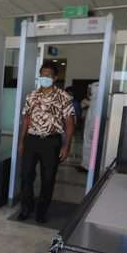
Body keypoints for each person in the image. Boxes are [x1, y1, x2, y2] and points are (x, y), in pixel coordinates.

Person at [17, 63, 75, 223]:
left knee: (48, 178)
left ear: (55, 78)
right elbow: (26, 120)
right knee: (26, 176)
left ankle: (41, 211)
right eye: (42, 74)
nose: (45, 78)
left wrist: (66, 145)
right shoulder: (31, 96)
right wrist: (21, 141)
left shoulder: (64, 97)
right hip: (31, 140)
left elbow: (70, 123)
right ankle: (26, 208)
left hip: (51, 142)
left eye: (48, 75)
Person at [80, 81, 99, 172]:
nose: (88, 92)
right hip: (91, 126)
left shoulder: (94, 102)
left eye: (90, 90)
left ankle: (87, 165)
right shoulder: (94, 101)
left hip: (91, 127)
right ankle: (88, 165)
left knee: (89, 144)